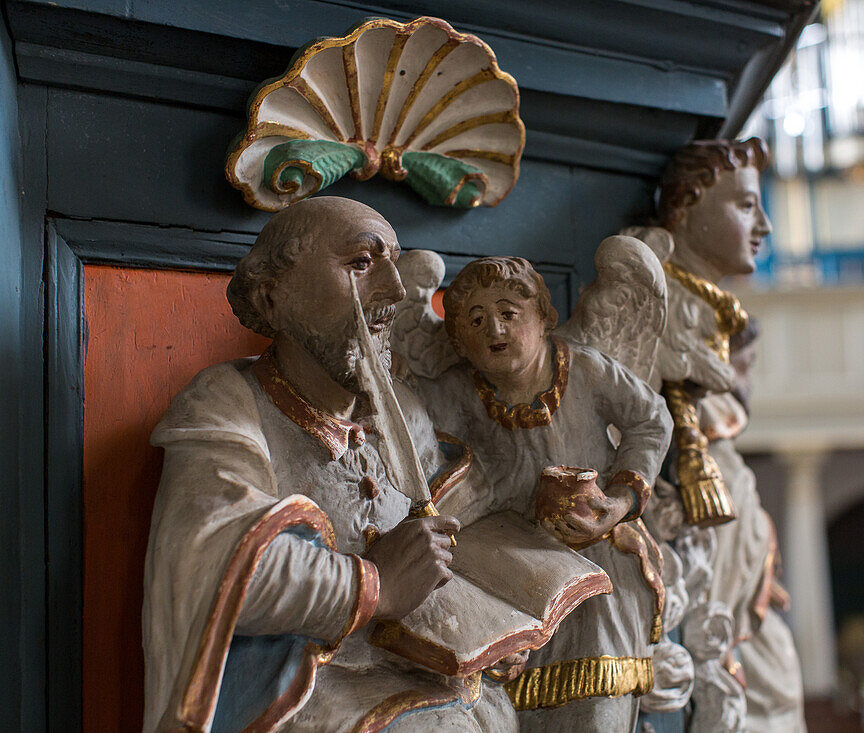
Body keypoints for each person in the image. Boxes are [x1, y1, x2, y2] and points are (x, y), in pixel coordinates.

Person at [142, 196, 517, 732]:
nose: (394, 290)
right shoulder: (227, 403)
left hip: (424, 677)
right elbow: (215, 564)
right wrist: (374, 584)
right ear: (273, 299)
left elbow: (443, 541)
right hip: (305, 699)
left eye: (392, 262)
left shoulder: (402, 411)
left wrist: (489, 633)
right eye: (362, 264)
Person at [415, 256, 673, 732]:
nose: (495, 328)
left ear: (542, 318)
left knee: (597, 706)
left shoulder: (587, 370)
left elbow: (651, 419)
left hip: (597, 561)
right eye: (476, 320)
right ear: (459, 341)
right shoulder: (453, 393)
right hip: (511, 571)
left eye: (509, 313)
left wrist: (619, 502)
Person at [632, 138, 806, 732]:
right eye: (745, 206)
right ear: (685, 207)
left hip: (730, 548)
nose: (764, 224)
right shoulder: (655, 300)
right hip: (687, 548)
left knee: (775, 682)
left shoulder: (716, 311)